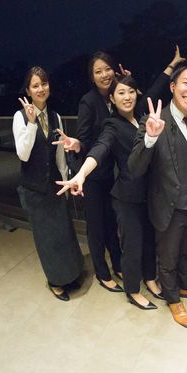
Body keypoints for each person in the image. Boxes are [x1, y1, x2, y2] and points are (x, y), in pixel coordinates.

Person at [56, 52, 181, 309]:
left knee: (149, 239)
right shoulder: (111, 125)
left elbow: (153, 92)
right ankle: (133, 290)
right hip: (126, 195)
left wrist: (171, 66)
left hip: (149, 192)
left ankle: (150, 278)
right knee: (132, 244)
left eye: (131, 92)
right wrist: (81, 173)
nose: (127, 97)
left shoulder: (142, 117)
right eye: (121, 93)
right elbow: (100, 148)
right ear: (112, 99)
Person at [127, 60, 187, 328]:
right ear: (172, 86)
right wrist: (150, 138)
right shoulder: (154, 120)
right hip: (167, 204)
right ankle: (173, 298)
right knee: (167, 257)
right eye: (186, 83)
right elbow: (134, 168)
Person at [13, 67, 83, 300]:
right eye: (35, 85)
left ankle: (72, 274)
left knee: (64, 232)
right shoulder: (20, 117)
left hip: (55, 184)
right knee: (46, 238)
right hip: (34, 189)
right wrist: (32, 123)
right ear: (28, 91)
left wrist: (66, 181)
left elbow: (60, 153)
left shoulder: (55, 116)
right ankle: (56, 281)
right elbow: (23, 154)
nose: (41, 89)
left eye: (44, 84)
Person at [75, 52, 125, 292]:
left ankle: (118, 264)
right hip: (92, 176)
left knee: (111, 223)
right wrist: (77, 144)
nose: (104, 74)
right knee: (96, 227)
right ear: (92, 77)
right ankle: (102, 273)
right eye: (98, 71)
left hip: (109, 175)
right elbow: (83, 138)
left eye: (107, 69)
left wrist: (125, 81)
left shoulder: (115, 96)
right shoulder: (88, 101)